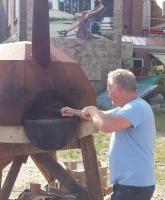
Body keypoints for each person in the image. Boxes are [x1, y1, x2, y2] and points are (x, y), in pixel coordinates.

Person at [61, 69, 156, 200]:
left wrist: (92, 109)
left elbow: (106, 124)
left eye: (109, 88)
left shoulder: (136, 107)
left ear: (118, 89)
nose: (108, 93)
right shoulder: (126, 108)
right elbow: (102, 116)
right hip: (130, 185)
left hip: (133, 186)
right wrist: (74, 112)